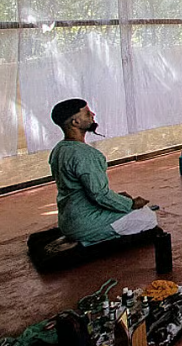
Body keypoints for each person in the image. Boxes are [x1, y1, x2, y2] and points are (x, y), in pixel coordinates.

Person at [48, 99, 157, 246]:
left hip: (66, 221)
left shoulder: (59, 149)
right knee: (148, 217)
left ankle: (83, 234)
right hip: (83, 225)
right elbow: (99, 195)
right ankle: (88, 240)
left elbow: (85, 190)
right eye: (87, 113)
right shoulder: (84, 154)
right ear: (75, 122)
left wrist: (119, 199)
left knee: (127, 207)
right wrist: (130, 203)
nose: (93, 114)